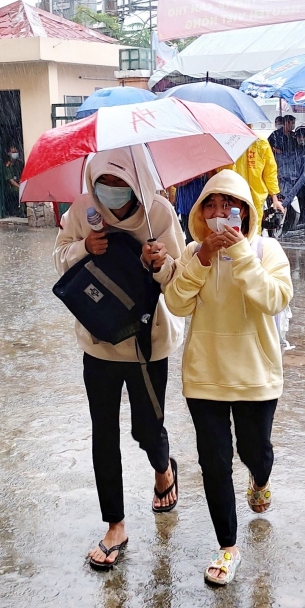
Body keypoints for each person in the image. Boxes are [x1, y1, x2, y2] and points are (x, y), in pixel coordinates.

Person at [53, 147, 186, 570]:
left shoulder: (160, 215)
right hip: (99, 341)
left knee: (147, 428)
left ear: (137, 181)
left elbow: (182, 286)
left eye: (119, 183)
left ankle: (164, 469)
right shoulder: (83, 212)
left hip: (148, 344)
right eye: (101, 184)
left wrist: (161, 263)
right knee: (104, 433)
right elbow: (59, 257)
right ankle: (115, 525)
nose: (109, 192)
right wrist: (83, 249)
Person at [164, 169, 293, 586]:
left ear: (246, 211)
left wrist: (240, 255)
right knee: (214, 463)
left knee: (255, 450)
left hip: (256, 375)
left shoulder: (266, 249)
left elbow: (274, 298)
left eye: (229, 205)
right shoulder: (191, 253)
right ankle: (228, 547)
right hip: (205, 377)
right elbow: (177, 303)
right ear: (200, 212)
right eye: (212, 205)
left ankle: (260, 477)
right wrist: (201, 259)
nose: (220, 213)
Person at [228, 132, 284, 225]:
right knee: (250, 228)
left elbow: (270, 171)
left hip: (237, 195)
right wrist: (274, 197)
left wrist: (274, 198)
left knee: (236, 227)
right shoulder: (260, 141)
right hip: (247, 196)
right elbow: (270, 171)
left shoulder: (228, 141)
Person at [276, 127, 305, 233]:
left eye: (303, 136)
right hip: (297, 179)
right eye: (299, 136)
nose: (301, 138)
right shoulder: (294, 150)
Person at [2, 145, 25, 217]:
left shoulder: (19, 163)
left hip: (18, 183)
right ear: (9, 154)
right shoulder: (8, 166)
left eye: (16, 152)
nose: (15, 154)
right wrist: (20, 187)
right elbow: (11, 181)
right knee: (21, 192)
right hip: (11, 186)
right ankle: (22, 212)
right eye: (13, 152)